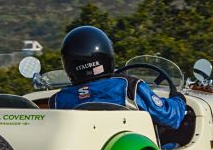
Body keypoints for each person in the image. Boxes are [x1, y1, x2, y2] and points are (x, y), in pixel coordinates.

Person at [49, 25, 186, 130]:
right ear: (106, 55)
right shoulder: (129, 88)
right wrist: (179, 100)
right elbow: (170, 117)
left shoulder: (58, 100)